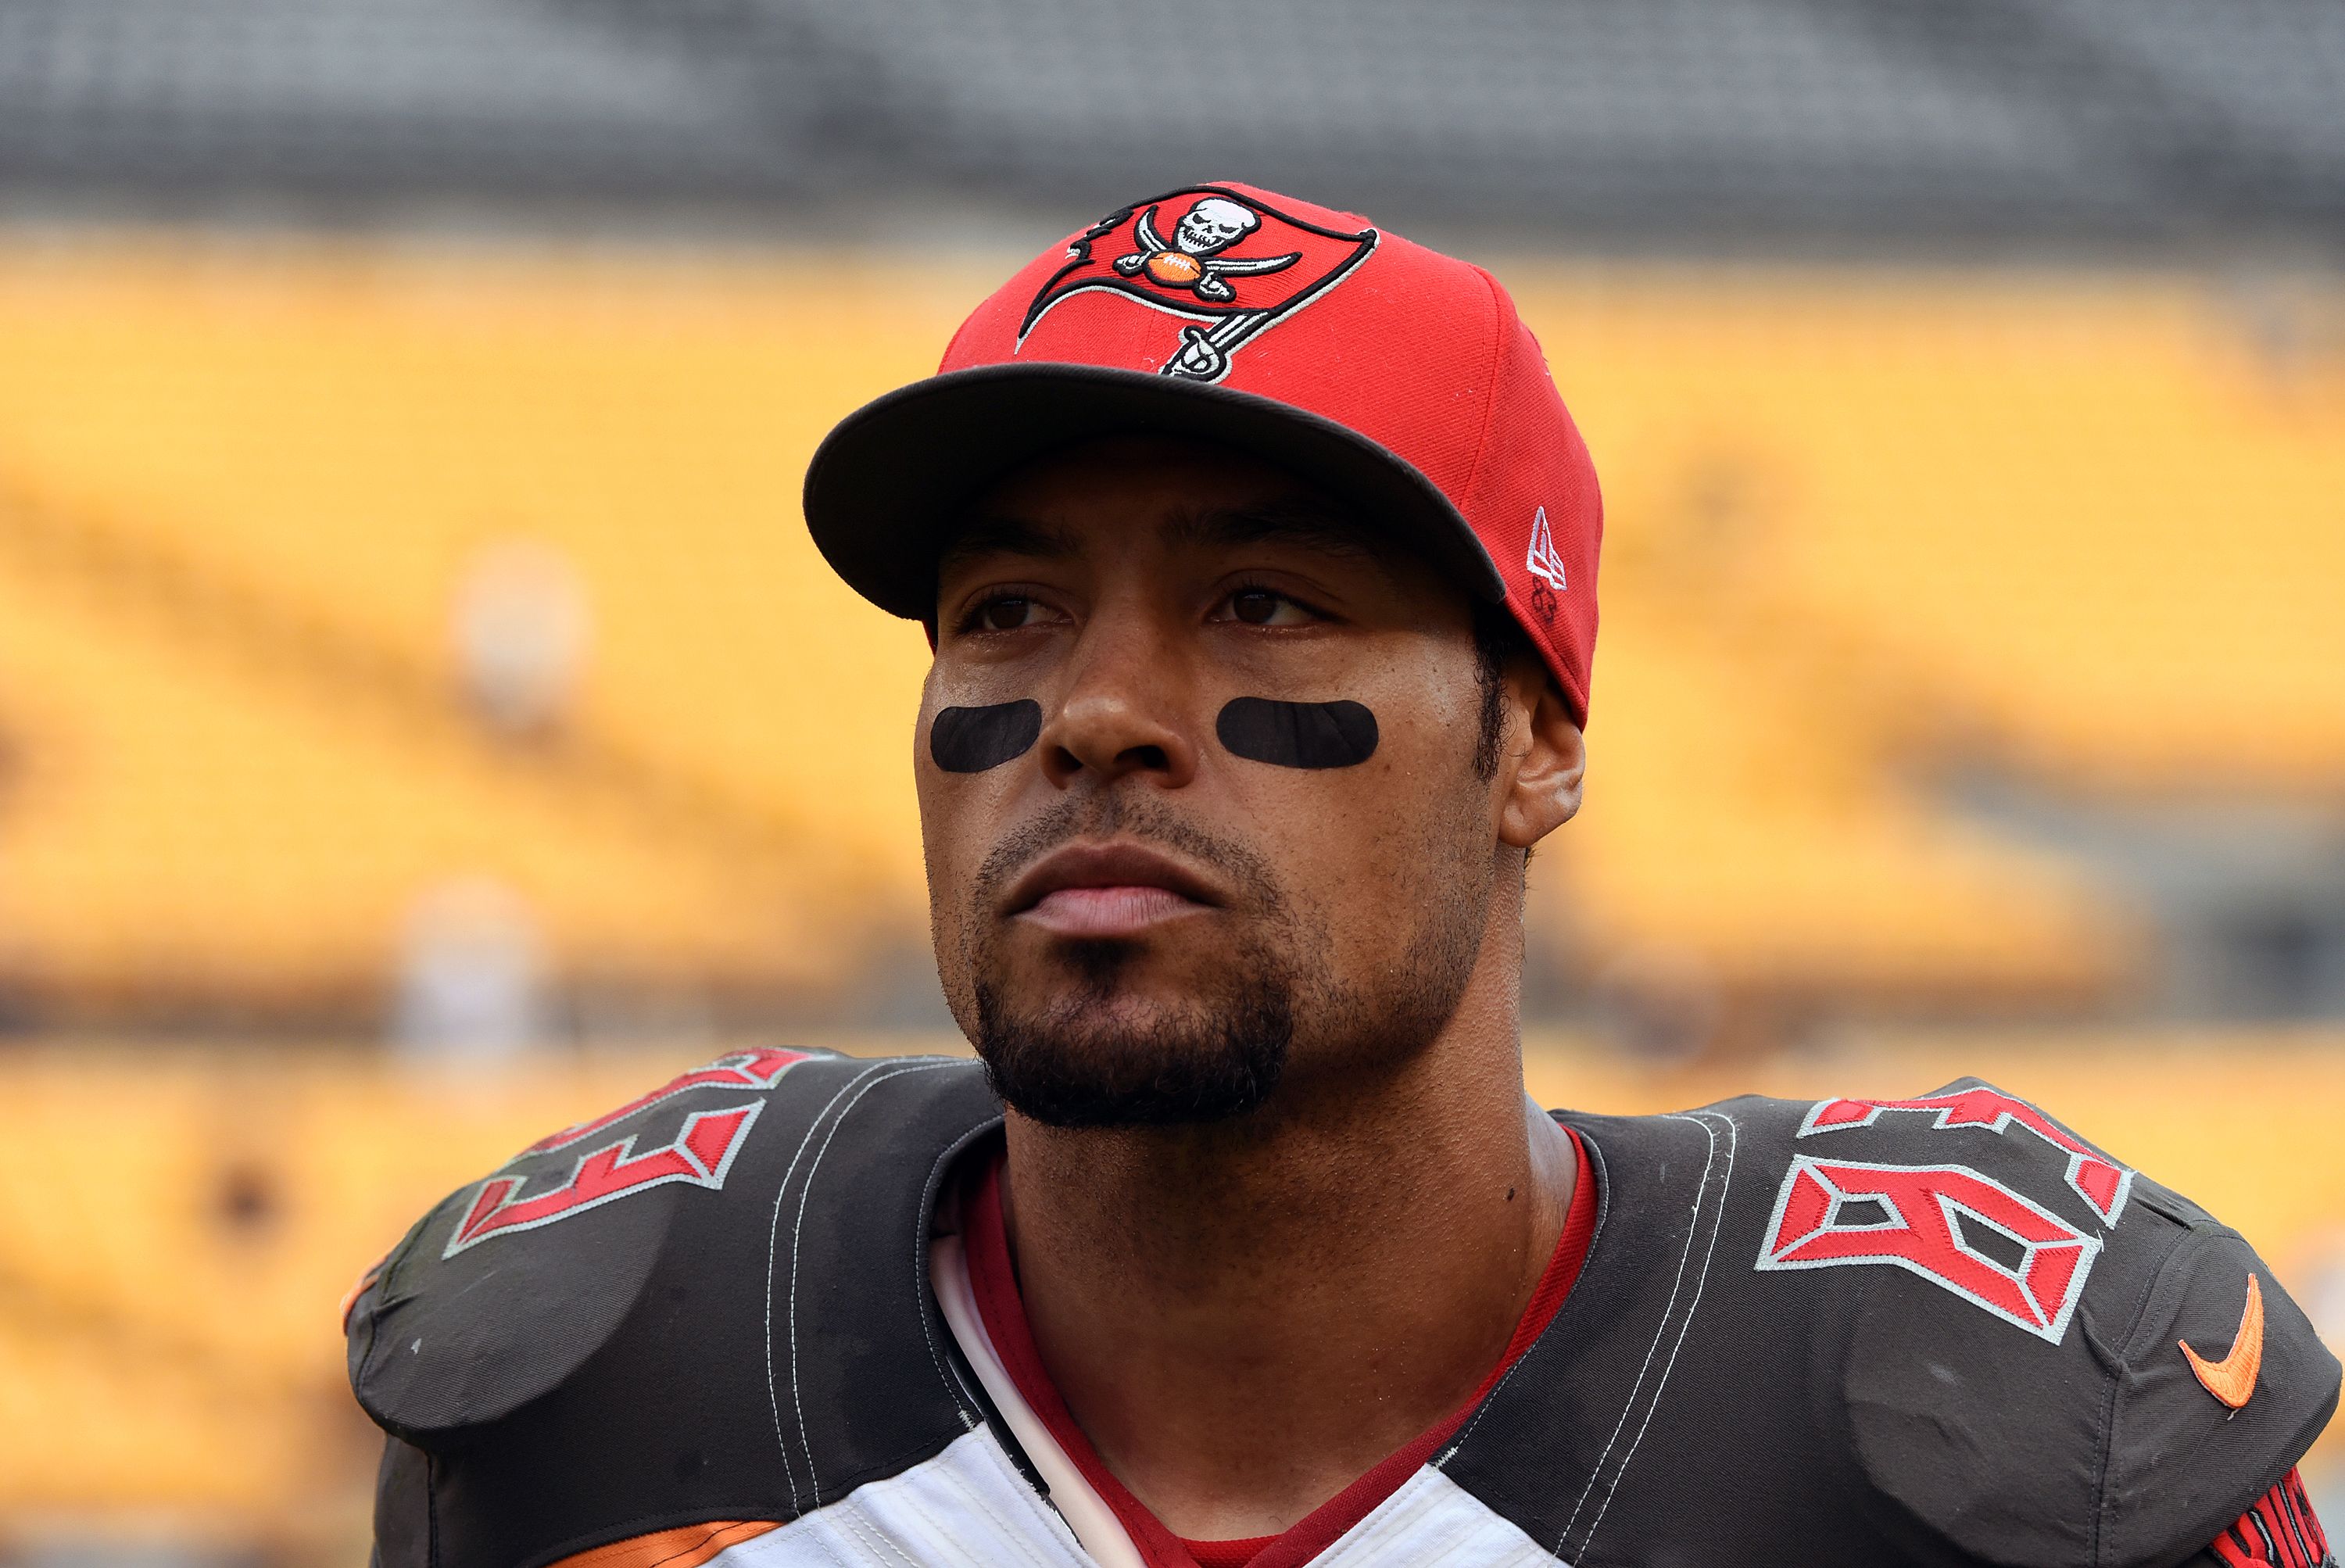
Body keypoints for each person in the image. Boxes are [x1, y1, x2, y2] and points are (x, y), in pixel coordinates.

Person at [345, 184, 2338, 1568]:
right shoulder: (616, 1391)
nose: (1096, 710)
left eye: (1265, 603)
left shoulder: (1989, 1426)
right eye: (1010, 608)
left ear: (1533, 738)